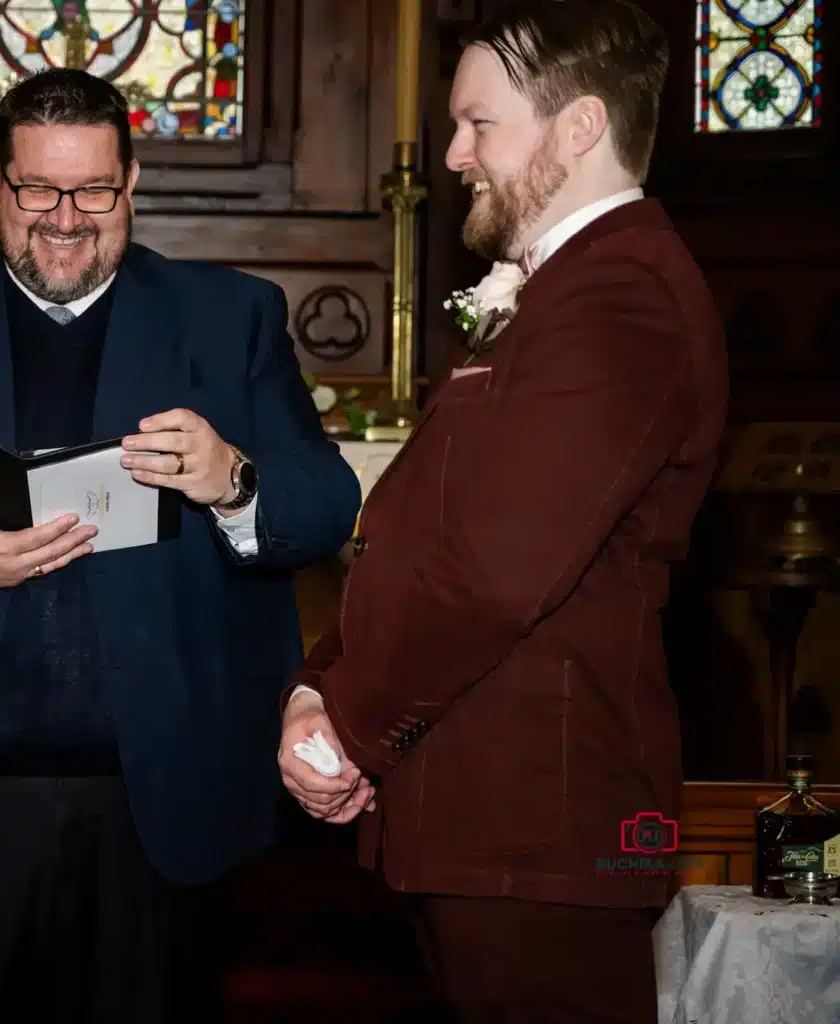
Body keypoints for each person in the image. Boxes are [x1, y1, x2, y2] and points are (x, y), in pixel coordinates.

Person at [0, 68, 361, 1023]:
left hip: (161, 791)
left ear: (132, 185)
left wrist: (232, 478)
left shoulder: (229, 316)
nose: (65, 219)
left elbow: (327, 503)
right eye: (38, 189)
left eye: (93, 191)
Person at [278, 3, 727, 1021]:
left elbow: (494, 571)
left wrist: (346, 724)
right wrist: (317, 686)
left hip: (542, 821)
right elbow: (425, 532)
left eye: (479, 124)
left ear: (578, 127)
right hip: (489, 814)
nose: (453, 153)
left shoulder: (622, 296)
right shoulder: (568, 290)